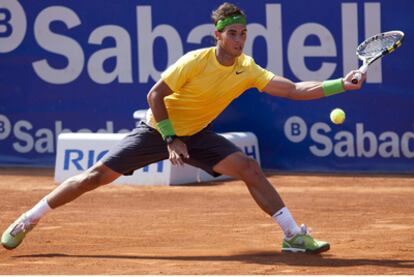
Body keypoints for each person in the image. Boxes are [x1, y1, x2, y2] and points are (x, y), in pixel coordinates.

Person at [1, 2, 365, 254]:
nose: (239, 40)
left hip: (198, 133)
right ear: (218, 35)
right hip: (158, 129)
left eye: (243, 34)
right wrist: (170, 137)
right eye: (233, 33)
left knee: (249, 169)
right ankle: (28, 220)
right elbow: (155, 94)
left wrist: (340, 84)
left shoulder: (248, 68)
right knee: (96, 177)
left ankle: (292, 236)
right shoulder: (195, 61)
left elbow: (292, 89)